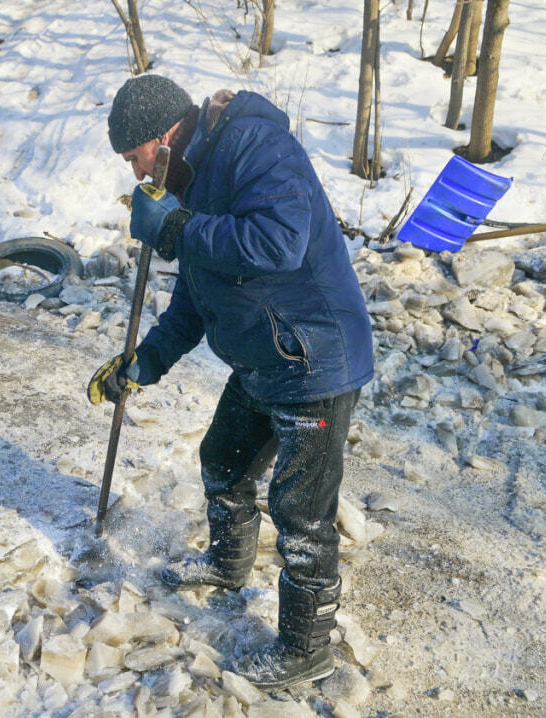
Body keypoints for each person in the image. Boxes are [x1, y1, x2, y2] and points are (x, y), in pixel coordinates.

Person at [87, 74, 374, 690]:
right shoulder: (194, 177)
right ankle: (227, 564)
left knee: (301, 513)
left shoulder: (254, 146)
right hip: (264, 355)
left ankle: (306, 648)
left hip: (313, 354)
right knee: (223, 461)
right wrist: (147, 360)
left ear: (164, 138)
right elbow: (196, 291)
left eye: (136, 158)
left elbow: (278, 243)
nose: (139, 177)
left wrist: (173, 229)